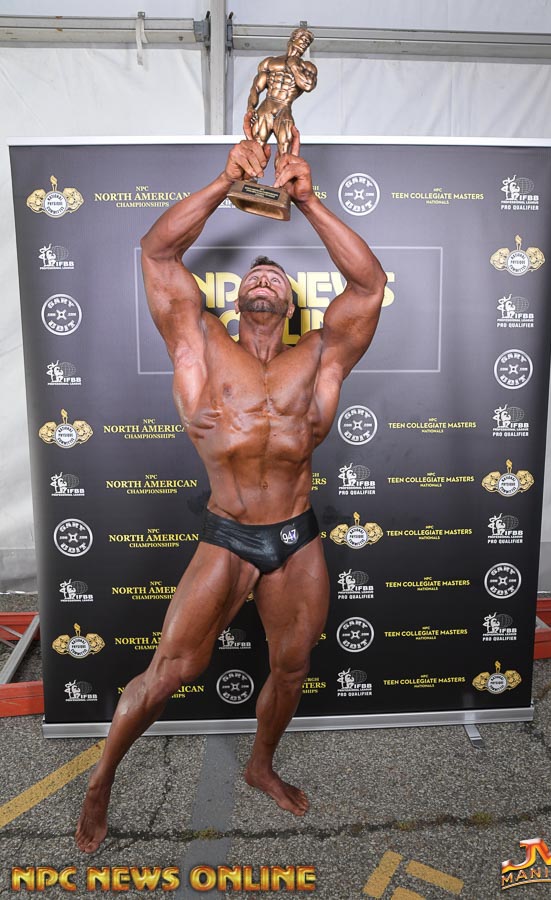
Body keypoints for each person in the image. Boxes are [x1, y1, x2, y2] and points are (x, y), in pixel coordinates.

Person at [75, 124, 387, 853]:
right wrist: (225, 184)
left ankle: (260, 765)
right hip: (227, 532)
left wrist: (308, 202)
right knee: (172, 669)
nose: (264, 278)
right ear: (237, 298)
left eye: (277, 277)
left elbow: (370, 285)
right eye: (253, 276)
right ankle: (101, 781)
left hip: (296, 535)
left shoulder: (322, 358)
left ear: (293, 302)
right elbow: (157, 252)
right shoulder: (200, 345)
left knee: (292, 666)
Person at [247, 27, 317, 156]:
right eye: (303, 39)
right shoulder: (270, 62)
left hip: (284, 108)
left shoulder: (307, 67)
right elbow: (256, 88)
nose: (305, 44)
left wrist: (294, 66)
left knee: (285, 151)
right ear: (293, 39)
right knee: (255, 147)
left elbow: (308, 85)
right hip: (266, 106)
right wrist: (250, 107)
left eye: (307, 42)